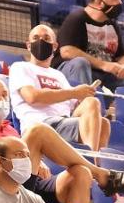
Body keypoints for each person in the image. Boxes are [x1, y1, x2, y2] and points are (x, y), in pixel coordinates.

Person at [9, 24, 111, 152]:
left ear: (55, 46)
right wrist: (74, 92)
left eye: (46, 38)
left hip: (64, 122)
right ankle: (92, 163)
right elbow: (32, 96)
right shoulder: (20, 67)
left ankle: (92, 161)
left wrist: (82, 96)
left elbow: (74, 106)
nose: (41, 41)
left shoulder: (58, 75)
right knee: (93, 115)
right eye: (36, 38)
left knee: (99, 115)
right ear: (28, 45)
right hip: (40, 125)